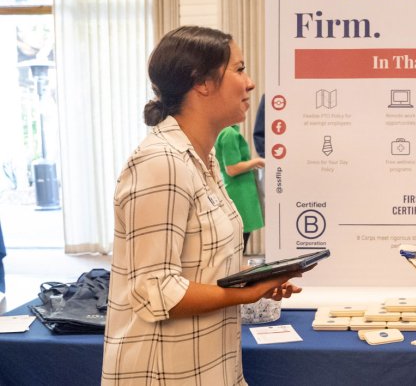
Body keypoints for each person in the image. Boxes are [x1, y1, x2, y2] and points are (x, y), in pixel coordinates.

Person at [102, 26, 302, 385]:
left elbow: (204, 266)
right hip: (165, 373)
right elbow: (155, 290)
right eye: (239, 70)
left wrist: (256, 279)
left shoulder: (202, 162)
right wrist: (243, 293)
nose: (251, 83)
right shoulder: (160, 162)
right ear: (202, 82)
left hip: (212, 368)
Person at [215, 124, 265, 251]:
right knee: (239, 244)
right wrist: (257, 161)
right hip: (239, 193)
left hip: (238, 189)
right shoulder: (229, 133)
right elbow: (232, 169)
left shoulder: (225, 131)